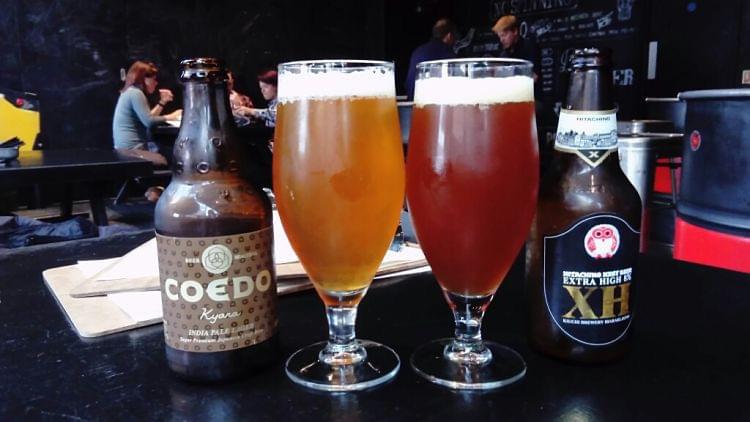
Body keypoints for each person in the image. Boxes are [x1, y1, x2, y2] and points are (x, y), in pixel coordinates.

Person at [112, 61, 181, 166]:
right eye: (154, 79)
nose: (156, 82)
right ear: (144, 79)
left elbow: (146, 116)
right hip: (132, 151)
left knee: (159, 149)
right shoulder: (135, 93)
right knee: (169, 157)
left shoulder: (130, 91)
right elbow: (148, 121)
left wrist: (162, 102)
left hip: (124, 150)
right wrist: (172, 116)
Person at [404, 18, 458, 100]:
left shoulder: (417, 51)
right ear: (449, 36)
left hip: (411, 106)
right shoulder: (447, 53)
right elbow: (455, 86)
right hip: (433, 108)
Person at [492, 15, 539, 80]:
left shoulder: (529, 46)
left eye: (504, 35)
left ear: (515, 31)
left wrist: (507, 72)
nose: (501, 40)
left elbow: (534, 76)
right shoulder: (504, 53)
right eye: (500, 37)